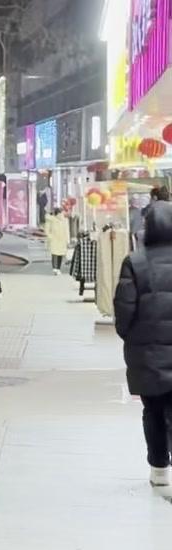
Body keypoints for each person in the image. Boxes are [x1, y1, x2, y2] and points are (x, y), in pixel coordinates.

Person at [114, 199, 172, 489]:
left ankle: (159, 469)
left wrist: (132, 337)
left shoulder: (135, 262)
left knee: (153, 410)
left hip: (148, 353)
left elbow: (124, 310)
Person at [45, 205, 70, 273]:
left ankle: (56, 268)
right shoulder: (52, 219)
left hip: (59, 239)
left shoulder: (64, 220)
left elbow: (67, 231)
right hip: (58, 239)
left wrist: (50, 237)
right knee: (57, 254)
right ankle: (56, 268)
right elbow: (67, 231)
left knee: (57, 254)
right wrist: (67, 241)